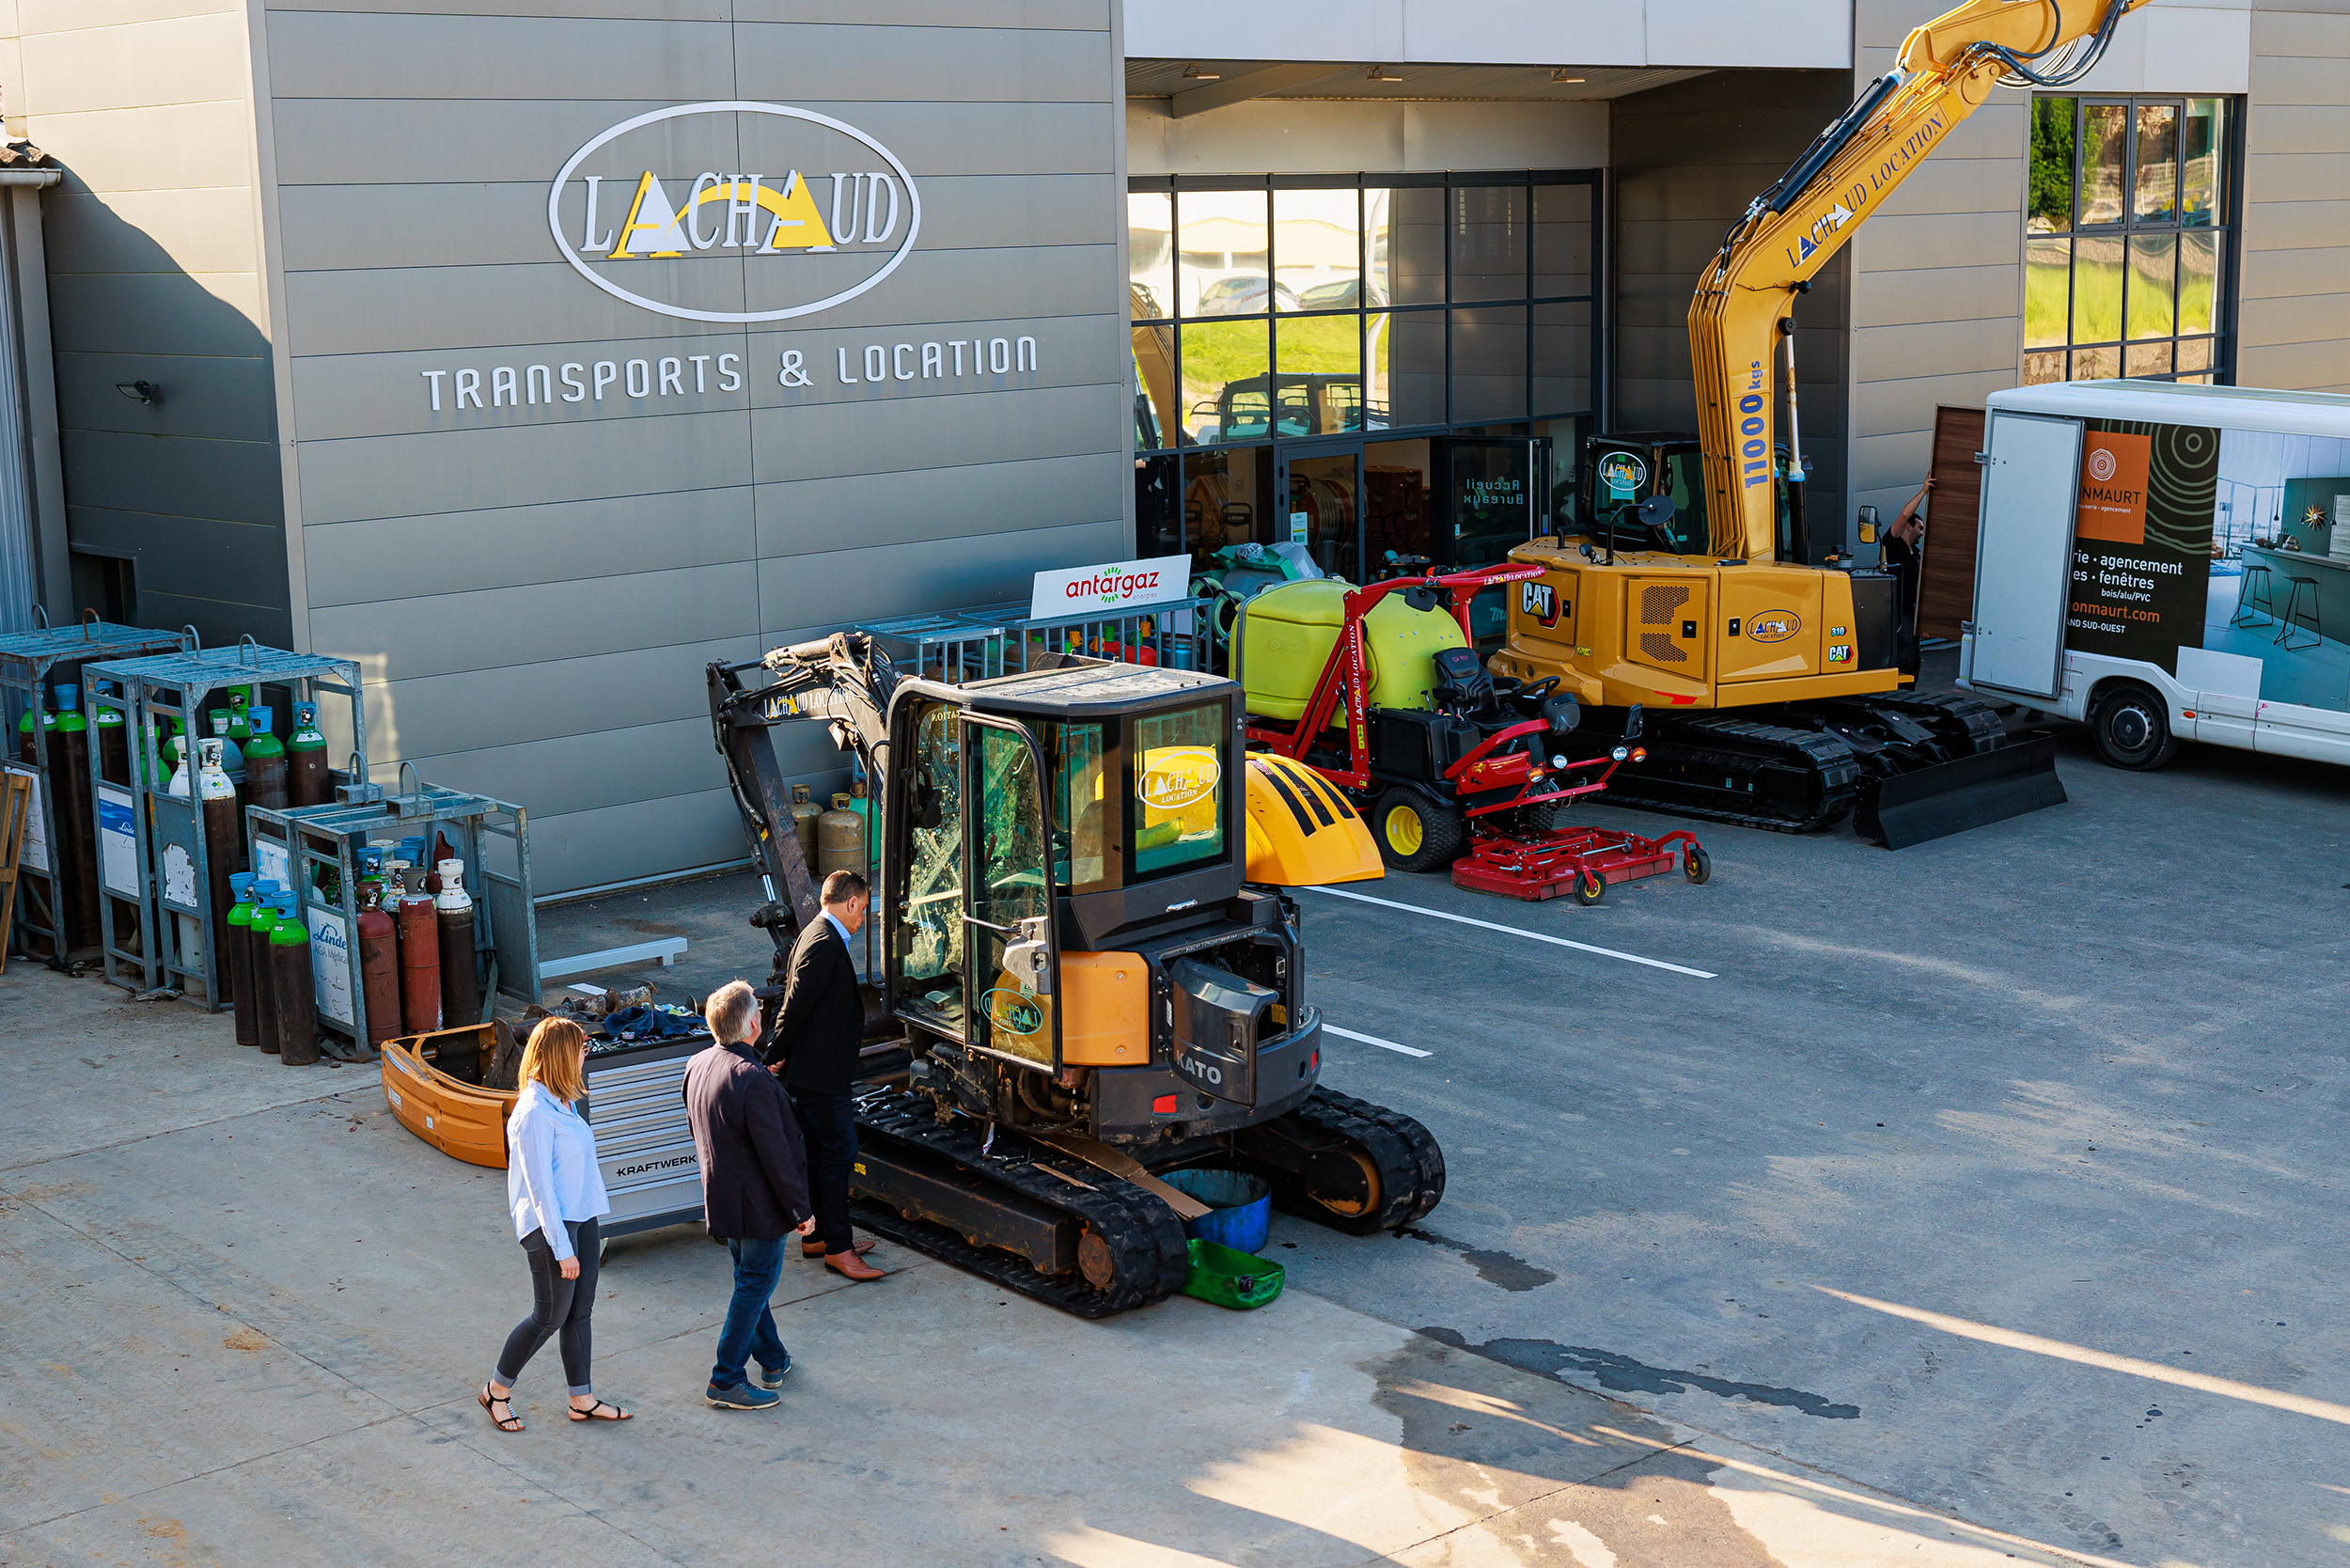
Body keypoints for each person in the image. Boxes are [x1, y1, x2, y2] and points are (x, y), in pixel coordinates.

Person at [480, 1017, 629, 1433]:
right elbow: (540, 1189)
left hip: (582, 1218)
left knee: (580, 1313)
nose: (585, 1055)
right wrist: (563, 1249)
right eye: (581, 1049)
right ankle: (496, 1391)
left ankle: (581, 1400)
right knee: (549, 1316)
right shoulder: (532, 1113)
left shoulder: (564, 1103)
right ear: (563, 1056)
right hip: (551, 1227)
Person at [683, 979, 816, 1410]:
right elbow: (776, 1154)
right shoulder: (752, 1078)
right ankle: (726, 1379)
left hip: (724, 1199)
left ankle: (773, 1360)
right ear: (754, 1026)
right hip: (759, 1208)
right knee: (754, 1285)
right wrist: (800, 1210)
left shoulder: (698, 1064)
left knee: (750, 1282)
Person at [768, 870, 884, 1282]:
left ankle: (818, 1237)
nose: (863, 919)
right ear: (850, 903)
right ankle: (839, 1248)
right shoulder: (825, 943)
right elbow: (794, 1007)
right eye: (863, 909)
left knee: (819, 1153)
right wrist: (773, 1055)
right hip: (821, 1076)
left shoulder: (815, 933)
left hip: (817, 1072)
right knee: (839, 1153)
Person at [1884, 476, 1933, 677]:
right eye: (1920, 528)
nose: (1922, 533)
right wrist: (1923, 492)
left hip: (1912, 613)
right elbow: (1904, 515)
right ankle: (1895, 692)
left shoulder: (1917, 555)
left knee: (1915, 660)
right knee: (1903, 659)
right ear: (1909, 526)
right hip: (1898, 612)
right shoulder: (1893, 544)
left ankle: (1908, 693)